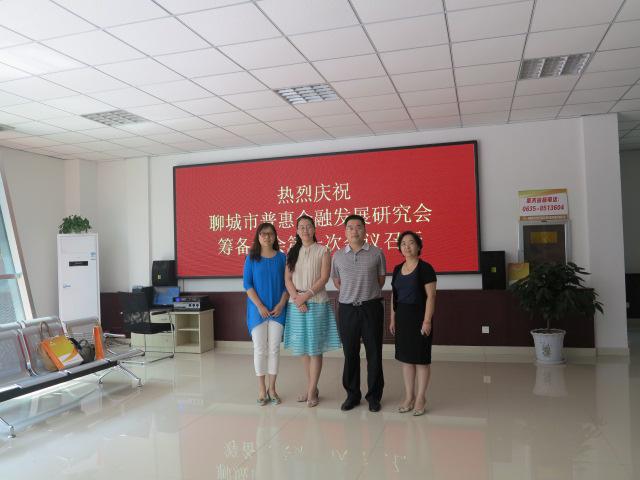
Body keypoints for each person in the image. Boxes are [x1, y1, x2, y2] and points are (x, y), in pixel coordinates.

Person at [283, 215, 341, 407]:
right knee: (303, 349)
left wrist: (305, 296)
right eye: (301, 227)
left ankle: (312, 389)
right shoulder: (292, 252)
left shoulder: (323, 250)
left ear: (314, 229)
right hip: (296, 304)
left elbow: (324, 278)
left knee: (315, 349)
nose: (305, 230)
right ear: (297, 231)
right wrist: (296, 298)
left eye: (308, 226)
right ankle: (312, 388)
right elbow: (287, 279)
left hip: (316, 302)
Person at [331, 214, 386, 412]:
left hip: (371, 307)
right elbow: (337, 281)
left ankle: (374, 397)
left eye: (359, 227)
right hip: (347, 309)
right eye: (350, 227)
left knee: (374, 353)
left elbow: (380, 280)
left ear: (365, 230)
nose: (355, 231)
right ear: (345, 232)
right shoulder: (337, 256)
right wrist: (351, 293)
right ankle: (352, 395)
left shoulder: (377, 253)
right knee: (350, 353)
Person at [389, 231, 437, 416]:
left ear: (418, 246)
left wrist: (427, 321)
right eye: (403, 244)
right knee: (406, 359)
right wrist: (393, 318)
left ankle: (421, 397)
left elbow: (431, 296)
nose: (407, 246)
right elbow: (394, 295)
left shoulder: (425, 268)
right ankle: (409, 396)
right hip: (402, 317)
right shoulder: (397, 269)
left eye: (411, 243)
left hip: (420, 317)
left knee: (421, 360)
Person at [243, 222, 288, 406]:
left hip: (278, 310)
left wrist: (281, 304)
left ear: (275, 236)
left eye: (270, 234)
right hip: (257, 311)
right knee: (260, 349)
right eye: (263, 234)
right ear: (258, 237)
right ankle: (262, 389)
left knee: (274, 349)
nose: (267, 237)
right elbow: (247, 285)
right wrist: (260, 305)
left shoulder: (283, 258)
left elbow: (287, 285)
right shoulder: (251, 258)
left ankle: (272, 389)